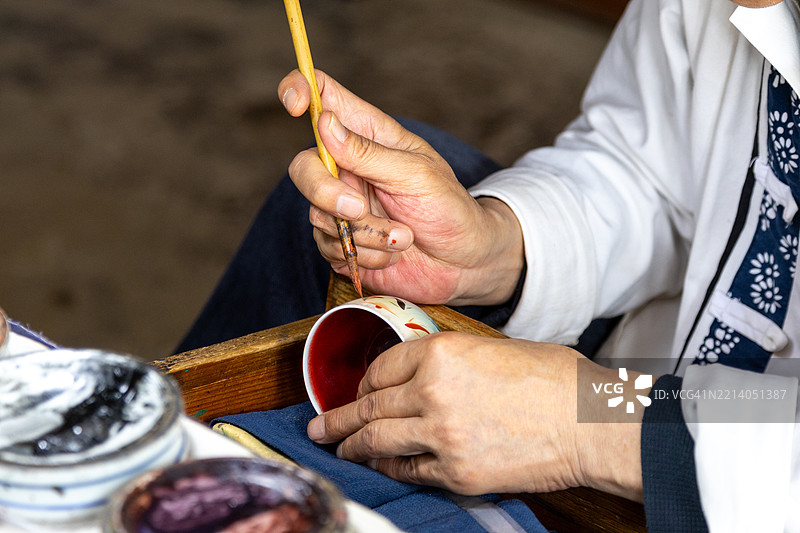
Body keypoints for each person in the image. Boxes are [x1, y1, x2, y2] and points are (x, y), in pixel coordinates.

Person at [178, 0, 800, 530]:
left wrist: (584, 424)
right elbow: (653, 172)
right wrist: (496, 248)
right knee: (336, 218)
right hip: (651, 371)